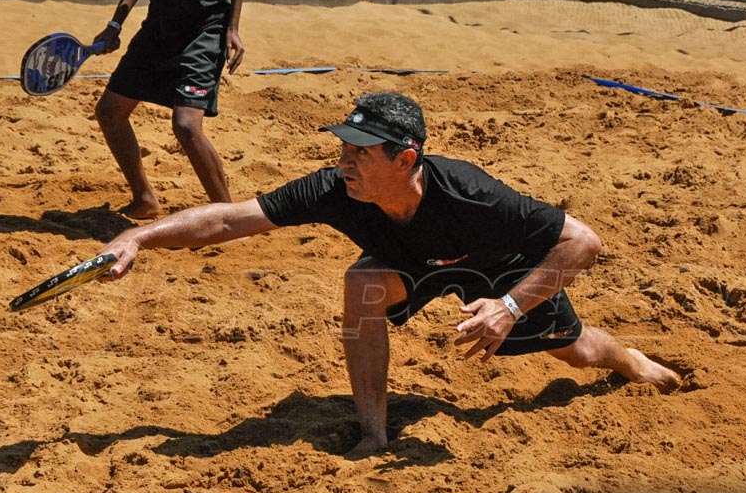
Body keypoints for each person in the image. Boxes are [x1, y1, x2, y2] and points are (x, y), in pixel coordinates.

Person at [98, 92, 681, 459]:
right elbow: (229, 219)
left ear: (405, 160)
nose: (344, 161)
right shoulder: (336, 189)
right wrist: (139, 235)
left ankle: (627, 360)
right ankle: (374, 431)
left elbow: (584, 243)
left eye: (360, 153)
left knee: (576, 354)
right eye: (343, 148)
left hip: (497, 268)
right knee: (362, 282)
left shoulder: (472, 194)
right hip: (410, 263)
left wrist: (507, 306)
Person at [92, 0, 247, 220]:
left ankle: (228, 219)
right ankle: (144, 200)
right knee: (109, 112)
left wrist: (233, 27)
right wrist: (115, 23)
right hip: (159, 28)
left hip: (206, 28)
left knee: (186, 125)